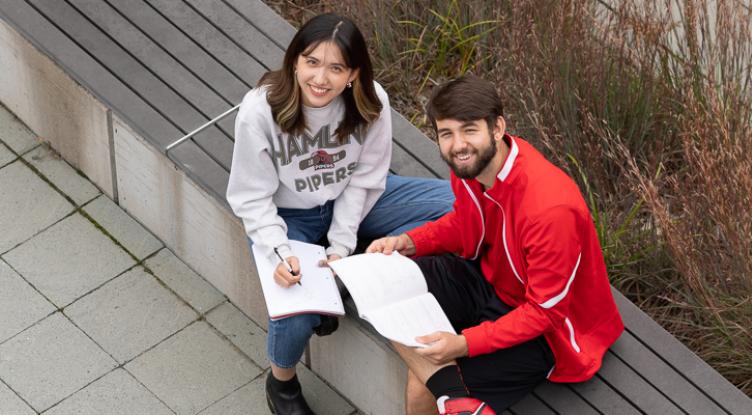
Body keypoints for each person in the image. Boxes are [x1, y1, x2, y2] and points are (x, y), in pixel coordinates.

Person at [226, 13, 453, 414]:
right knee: (293, 308)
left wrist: (343, 245)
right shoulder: (260, 111)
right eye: (312, 62)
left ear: (352, 73)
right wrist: (279, 253)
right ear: (294, 61)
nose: (320, 78)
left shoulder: (370, 102)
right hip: (287, 215)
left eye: (336, 68)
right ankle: (282, 384)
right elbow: (250, 197)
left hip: (352, 200)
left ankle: (347, 277)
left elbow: (366, 179)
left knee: (452, 202)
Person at [366, 76, 625, 414]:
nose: (458, 145)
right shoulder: (471, 167)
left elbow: (545, 313)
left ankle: (455, 398)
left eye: (469, 130)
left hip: (547, 332)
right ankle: (458, 398)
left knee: (423, 386)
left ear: (497, 127)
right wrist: (410, 242)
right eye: (447, 134)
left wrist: (463, 344)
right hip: (488, 279)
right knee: (386, 282)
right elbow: (464, 222)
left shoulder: (549, 209)